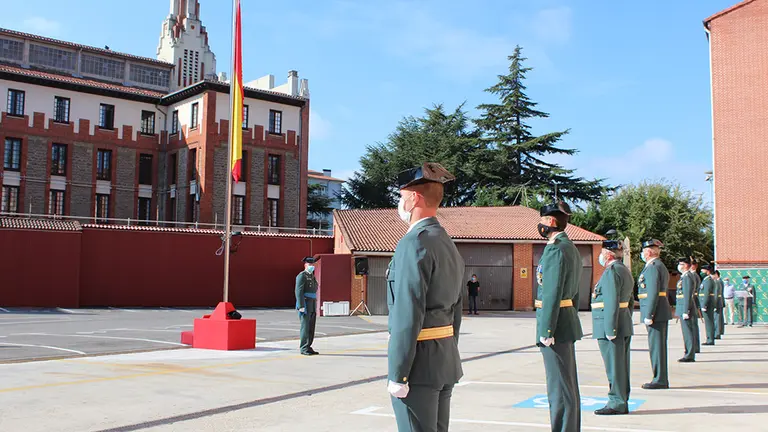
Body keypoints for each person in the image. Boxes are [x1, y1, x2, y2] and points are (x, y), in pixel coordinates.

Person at [387, 162, 464, 432]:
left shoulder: (414, 242)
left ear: (414, 198)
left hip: (418, 366)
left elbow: (407, 311)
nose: (400, 202)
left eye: (401, 196)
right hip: (444, 360)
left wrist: (399, 372)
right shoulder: (445, 241)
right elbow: (457, 308)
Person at [535, 201, 583, 431]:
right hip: (565, 320)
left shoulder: (555, 248)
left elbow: (551, 293)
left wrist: (546, 330)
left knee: (559, 389)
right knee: (565, 385)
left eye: (543, 220)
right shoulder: (569, 247)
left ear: (551, 222)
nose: (540, 225)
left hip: (555, 325)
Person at [591, 240, 634, 415]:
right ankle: (620, 399)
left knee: (614, 367)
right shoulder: (624, 270)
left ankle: (616, 402)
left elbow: (611, 301)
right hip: (621, 322)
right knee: (620, 366)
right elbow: (628, 302)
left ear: (607, 254)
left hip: (610, 326)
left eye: (601, 253)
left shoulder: (612, 271)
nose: (600, 257)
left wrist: (610, 329)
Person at [637, 239, 671, 390]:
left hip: (655, 312)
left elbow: (652, 293)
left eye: (644, 251)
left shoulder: (653, 267)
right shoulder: (657, 266)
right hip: (658, 311)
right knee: (657, 346)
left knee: (656, 347)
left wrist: (649, 314)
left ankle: (660, 379)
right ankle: (659, 377)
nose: (642, 254)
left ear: (649, 252)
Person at [295, 256, 319, 356]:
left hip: (312, 303)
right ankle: (303, 347)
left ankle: (308, 346)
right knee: (305, 327)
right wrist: (301, 305)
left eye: (313, 264)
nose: (312, 266)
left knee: (311, 327)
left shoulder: (312, 276)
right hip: (305, 303)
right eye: (310, 264)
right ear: (305, 265)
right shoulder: (302, 276)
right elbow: (298, 291)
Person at [676, 257, 696, 363]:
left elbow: (687, 295)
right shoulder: (684, 277)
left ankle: (689, 354)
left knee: (688, 332)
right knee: (686, 332)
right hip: (682, 306)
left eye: (681, 264)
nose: (680, 266)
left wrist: (686, 310)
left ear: (687, 265)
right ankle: (688, 352)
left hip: (685, 307)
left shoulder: (687, 277)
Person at [698, 265, 716, 346]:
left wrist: (704, 304)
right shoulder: (705, 280)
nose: (701, 272)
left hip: (707, 304)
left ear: (708, 271)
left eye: (703, 271)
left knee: (709, 322)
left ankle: (710, 339)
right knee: (708, 321)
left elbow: (707, 293)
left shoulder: (708, 280)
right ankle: (709, 338)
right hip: (705, 303)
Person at [689, 259, 702, 354]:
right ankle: (695, 346)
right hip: (692, 300)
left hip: (692, 300)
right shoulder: (692, 275)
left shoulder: (693, 275)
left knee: (692, 325)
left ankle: (695, 347)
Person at [713, 271, 724, 339]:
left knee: (717, 318)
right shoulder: (719, 281)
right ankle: (719, 331)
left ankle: (717, 333)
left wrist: (714, 304)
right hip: (720, 301)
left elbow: (716, 294)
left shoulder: (717, 282)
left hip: (717, 302)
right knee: (719, 318)